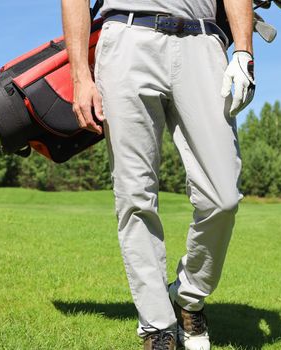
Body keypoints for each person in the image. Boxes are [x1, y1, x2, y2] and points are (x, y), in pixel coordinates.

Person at [62, 0, 255, 349]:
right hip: (126, 37)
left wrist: (243, 52)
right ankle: (157, 327)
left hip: (202, 40)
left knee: (223, 196)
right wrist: (80, 75)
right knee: (135, 194)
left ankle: (187, 296)